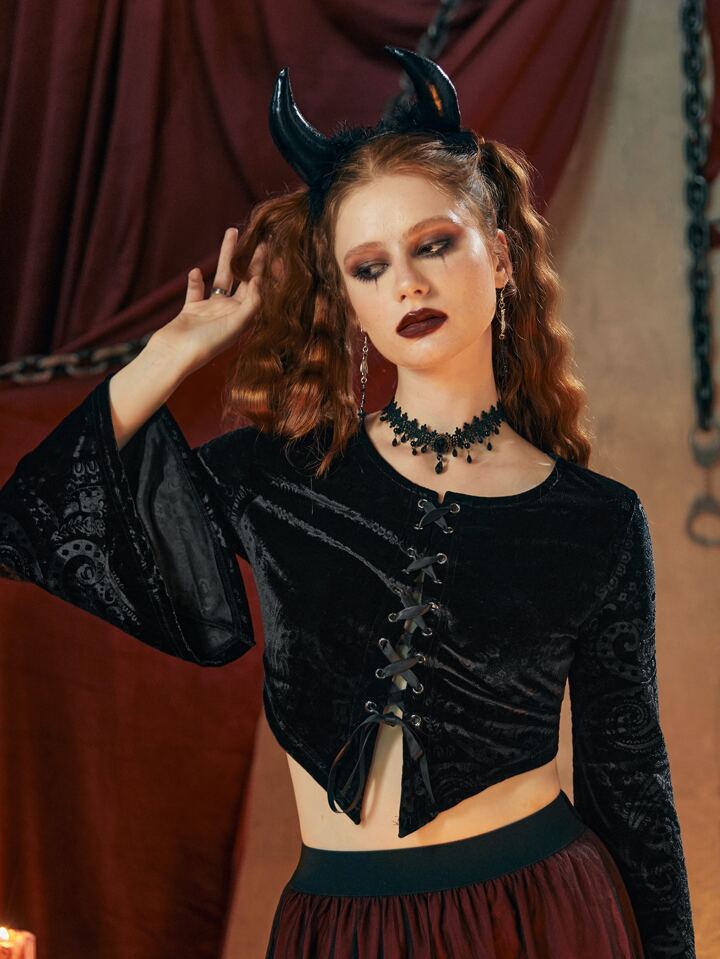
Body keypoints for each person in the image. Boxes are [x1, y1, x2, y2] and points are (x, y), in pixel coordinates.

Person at [0, 46, 696, 959]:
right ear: (348, 299)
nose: (406, 282)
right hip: (341, 928)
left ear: (500, 257)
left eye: (434, 244)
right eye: (368, 266)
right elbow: (31, 520)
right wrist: (172, 352)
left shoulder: (596, 520)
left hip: (541, 917)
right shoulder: (278, 477)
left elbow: (632, 789)